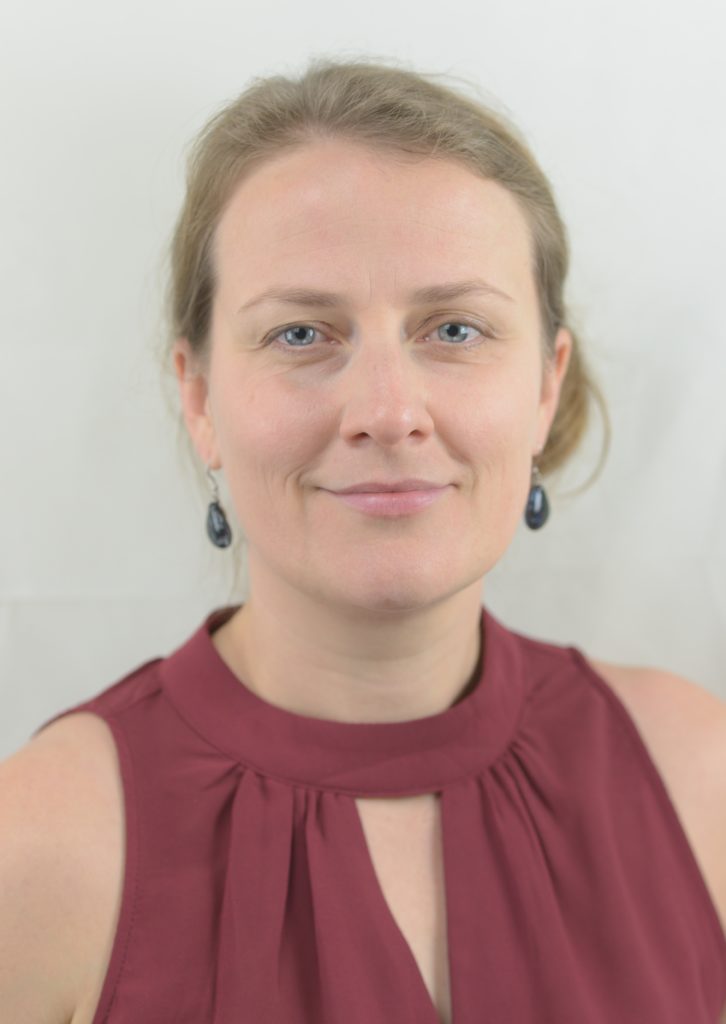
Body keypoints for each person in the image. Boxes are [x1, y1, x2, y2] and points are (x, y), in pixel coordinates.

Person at [1, 55, 725, 1024]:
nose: (388, 411)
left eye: (456, 329)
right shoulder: (38, 848)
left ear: (546, 386)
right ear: (200, 395)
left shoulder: (696, 774)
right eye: (303, 335)